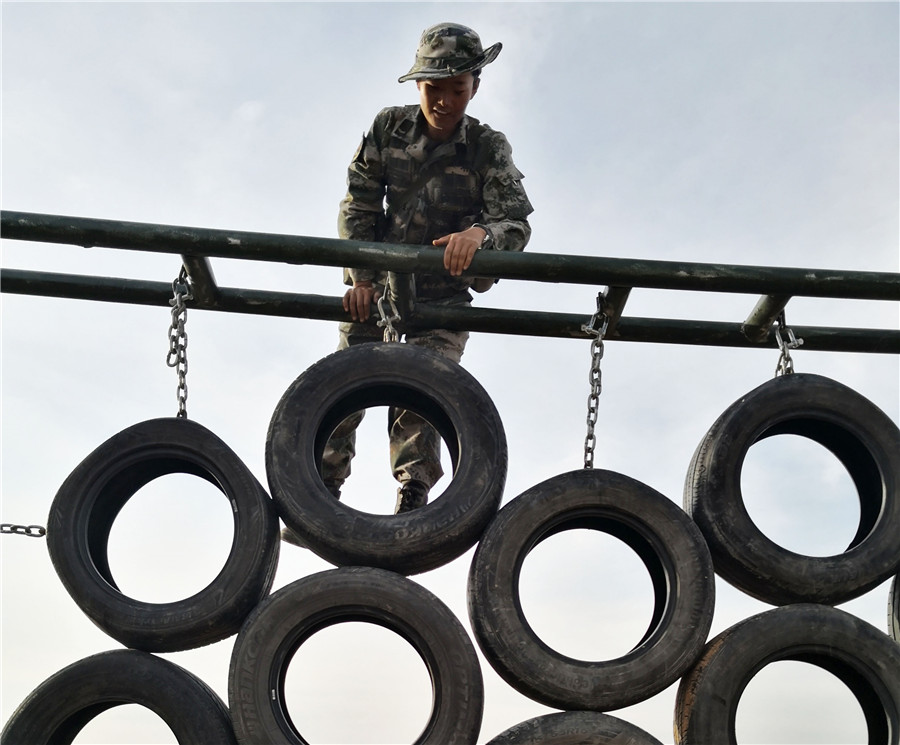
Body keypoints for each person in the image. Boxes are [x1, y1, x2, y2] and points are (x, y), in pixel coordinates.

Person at [318, 22, 533, 521]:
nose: (444, 100)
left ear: (474, 87)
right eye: (434, 88)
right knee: (342, 384)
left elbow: (514, 221)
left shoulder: (486, 147)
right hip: (381, 284)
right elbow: (359, 205)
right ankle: (319, 492)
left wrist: (480, 236)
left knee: (421, 393)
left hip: (441, 299)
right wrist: (361, 277)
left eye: (456, 89)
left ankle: (413, 500)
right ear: (418, 86)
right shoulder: (388, 127)